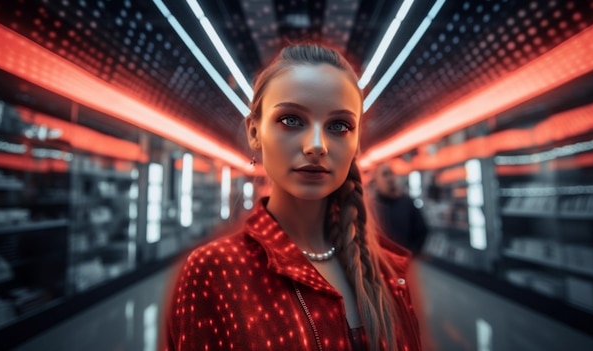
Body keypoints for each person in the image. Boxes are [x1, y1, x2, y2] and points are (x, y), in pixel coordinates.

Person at [165, 43, 422, 351]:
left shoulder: (388, 273)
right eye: (291, 120)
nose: (317, 145)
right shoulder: (216, 271)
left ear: (356, 142)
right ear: (254, 132)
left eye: (339, 125)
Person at [371, 162, 428, 257]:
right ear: (376, 182)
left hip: (404, 263)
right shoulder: (372, 207)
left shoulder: (407, 203)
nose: (390, 179)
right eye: (385, 174)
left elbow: (422, 231)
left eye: (391, 174)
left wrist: (411, 252)